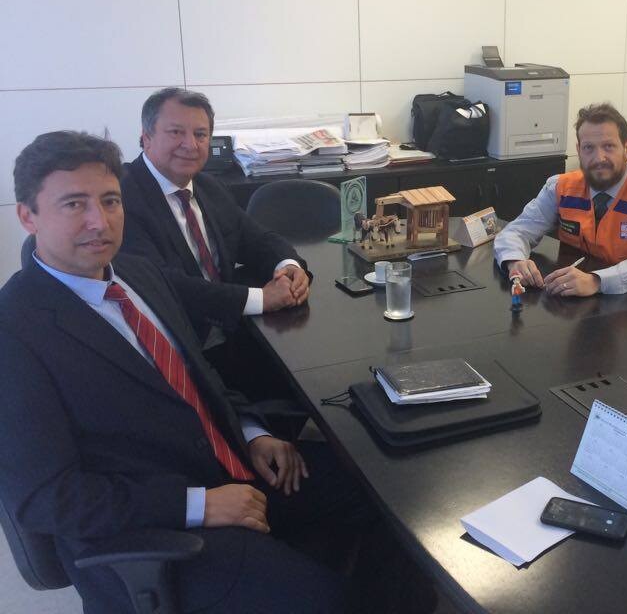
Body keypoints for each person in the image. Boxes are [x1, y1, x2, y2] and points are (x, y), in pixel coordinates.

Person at [0, 131, 380, 613]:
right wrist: (198, 504)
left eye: (110, 200)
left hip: (232, 465)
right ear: (28, 216)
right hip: (156, 528)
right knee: (327, 600)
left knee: (381, 499)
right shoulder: (15, 331)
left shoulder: (137, 274)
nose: (100, 221)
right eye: (74, 204)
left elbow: (198, 377)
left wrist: (252, 432)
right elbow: (48, 499)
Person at [120, 88, 310, 345]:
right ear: (147, 138)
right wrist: (262, 298)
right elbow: (161, 284)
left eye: (200, 134)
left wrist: (288, 266)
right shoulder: (121, 198)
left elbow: (256, 238)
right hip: (178, 343)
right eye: (176, 132)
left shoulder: (209, 186)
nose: (191, 145)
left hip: (232, 332)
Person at [494, 103, 627, 296]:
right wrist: (514, 261)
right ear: (579, 150)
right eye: (589, 148)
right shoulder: (560, 187)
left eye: (609, 146)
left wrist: (597, 280)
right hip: (578, 300)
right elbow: (516, 231)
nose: (599, 158)